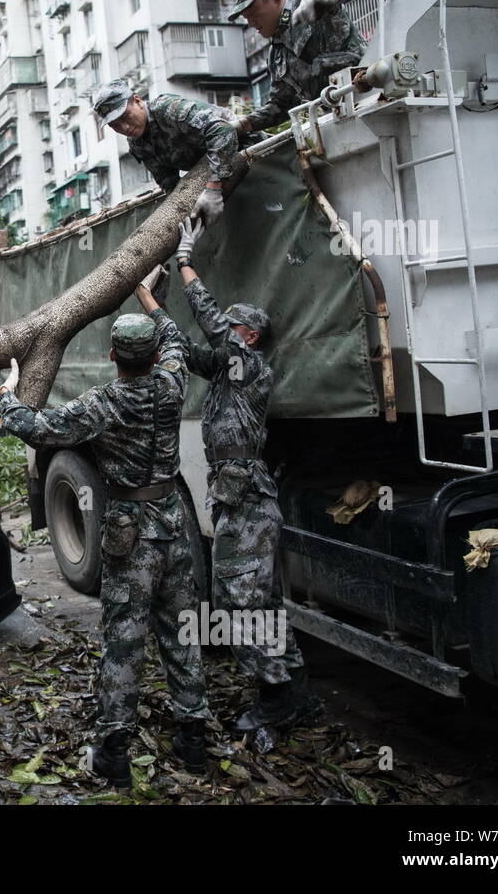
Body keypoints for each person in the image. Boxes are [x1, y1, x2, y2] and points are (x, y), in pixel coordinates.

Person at [0, 281, 212, 782]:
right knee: (182, 634)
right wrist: (149, 298)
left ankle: (114, 755)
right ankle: (194, 743)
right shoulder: (173, 381)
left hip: (129, 535)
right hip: (174, 528)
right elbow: (177, 339)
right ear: (155, 355)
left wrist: (7, 396)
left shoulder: (105, 403)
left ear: (113, 354)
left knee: (124, 640)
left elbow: (38, 428)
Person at [171, 216, 318, 732]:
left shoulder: (250, 366)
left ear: (248, 335)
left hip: (248, 501)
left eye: (232, 328)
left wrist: (185, 261)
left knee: (235, 604)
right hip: (238, 501)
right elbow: (186, 348)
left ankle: (276, 698)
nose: (225, 333)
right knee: (261, 600)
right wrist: (147, 296)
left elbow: (209, 324)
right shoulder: (224, 373)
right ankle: (295, 690)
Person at [229, 0, 376, 135]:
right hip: (342, 124)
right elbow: (280, 106)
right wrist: (243, 125)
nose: (251, 23)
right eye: (246, 18)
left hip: (375, 97)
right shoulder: (277, 56)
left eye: (253, 13)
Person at [92, 79, 240, 225]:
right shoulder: (137, 143)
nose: (124, 127)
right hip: (215, 176)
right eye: (114, 125)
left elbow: (222, 131)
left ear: (137, 100)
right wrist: (181, 211)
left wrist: (214, 189)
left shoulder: (168, 109)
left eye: (125, 116)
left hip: (246, 151)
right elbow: (168, 182)